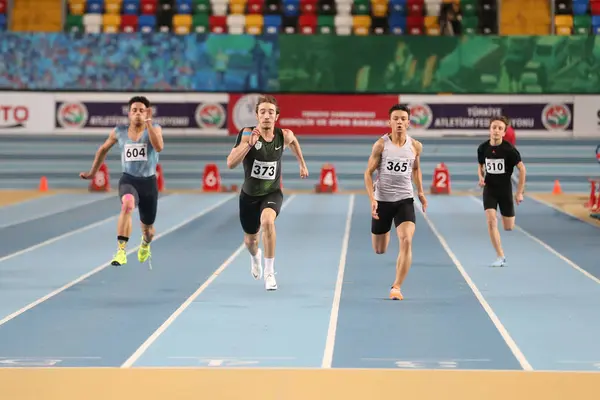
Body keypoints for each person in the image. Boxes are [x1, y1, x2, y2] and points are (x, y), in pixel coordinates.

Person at [226, 94, 309, 291]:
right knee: (250, 241)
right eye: (262, 112)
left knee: (268, 221)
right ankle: (256, 258)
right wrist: (248, 145)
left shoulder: (283, 135)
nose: (266, 116)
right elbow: (230, 163)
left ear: (276, 116)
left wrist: (302, 164)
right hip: (248, 196)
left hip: (272, 192)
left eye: (270, 112)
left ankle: (270, 273)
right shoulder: (247, 134)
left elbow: (294, 141)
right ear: (256, 115)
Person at [79, 96, 164, 268]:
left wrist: (148, 123)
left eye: (142, 110)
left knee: (148, 231)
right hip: (129, 180)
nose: (138, 113)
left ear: (147, 113)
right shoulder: (119, 131)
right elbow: (102, 149)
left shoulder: (154, 128)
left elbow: (159, 147)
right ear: (129, 114)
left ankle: (145, 244)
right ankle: (121, 250)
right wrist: (92, 173)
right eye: (134, 110)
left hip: (148, 183)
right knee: (127, 204)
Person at [364, 104, 427, 301]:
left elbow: (416, 169)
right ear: (389, 122)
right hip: (383, 200)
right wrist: (372, 199)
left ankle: (396, 286)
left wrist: (421, 192)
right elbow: (368, 173)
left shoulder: (415, 146)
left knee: (407, 239)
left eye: (403, 119)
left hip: (405, 199)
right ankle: (387, 230)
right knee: (379, 249)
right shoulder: (381, 145)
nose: (399, 122)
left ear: (409, 122)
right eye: (396, 119)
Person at [477, 116, 526, 268]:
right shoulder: (482, 148)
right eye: (494, 127)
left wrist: (519, 192)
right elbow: (480, 165)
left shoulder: (509, 150)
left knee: (508, 227)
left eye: (500, 128)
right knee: (491, 221)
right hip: (490, 189)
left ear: (504, 133)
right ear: (489, 130)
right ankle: (500, 255)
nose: (496, 131)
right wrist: (480, 177)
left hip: (505, 191)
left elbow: (522, 169)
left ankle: (503, 216)